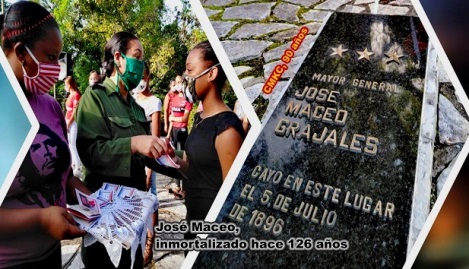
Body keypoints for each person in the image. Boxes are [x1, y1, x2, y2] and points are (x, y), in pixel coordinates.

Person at [0, 2, 90, 268]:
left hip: (51, 256)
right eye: (51, 57)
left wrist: (97, 204)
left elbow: (65, 177)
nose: (57, 68)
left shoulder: (50, 106)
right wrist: (40, 219)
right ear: (21, 53)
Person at [76, 31, 170, 269]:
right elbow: (91, 153)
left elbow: (148, 154)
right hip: (106, 219)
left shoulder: (137, 109)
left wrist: (171, 154)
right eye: (137, 56)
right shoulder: (94, 98)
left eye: (143, 58)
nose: (142, 65)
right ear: (118, 58)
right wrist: (133, 143)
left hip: (134, 218)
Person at [172, 41, 245, 237]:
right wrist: (170, 158)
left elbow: (233, 198)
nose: (186, 79)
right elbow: (197, 172)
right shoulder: (200, 118)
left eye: (190, 70)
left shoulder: (227, 129)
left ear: (211, 73)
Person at [133, 61, 161, 265]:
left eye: (143, 77)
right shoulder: (130, 100)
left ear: (148, 78)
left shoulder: (154, 102)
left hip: (148, 161)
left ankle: (150, 245)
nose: (140, 81)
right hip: (131, 161)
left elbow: (155, 138)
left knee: (151, 201)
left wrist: (149, 170)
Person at [64, 76, 82, 177]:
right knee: (70, 144)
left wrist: (68, 123)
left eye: (65, 85)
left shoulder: (75, 95)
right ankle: (74, 163)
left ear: (69, 85)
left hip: (72, 122)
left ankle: (78, 166)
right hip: (68, 121)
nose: (65, 87)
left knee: (73, 145)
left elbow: (75, 112)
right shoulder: (71, 95)